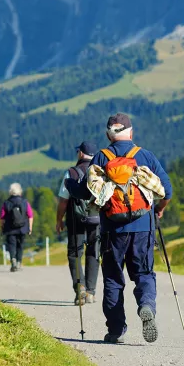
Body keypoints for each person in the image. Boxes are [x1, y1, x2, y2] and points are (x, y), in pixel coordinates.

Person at [89, 113, 172, 344]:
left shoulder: (101, 157)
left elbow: (90, 193)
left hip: (111, 231)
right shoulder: (144, 156)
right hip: (142, 227)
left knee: (113, 279)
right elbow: (168, 190)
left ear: (108, 134)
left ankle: (116, 330)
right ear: (131, 133)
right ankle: (146, 305)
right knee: (144, 274)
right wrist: (159, 209)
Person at [55, 141, 101, 305]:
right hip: (97, 219)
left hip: (76, 219)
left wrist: (59, 219)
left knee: (75, 254)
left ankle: (79, 287)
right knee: (94, 253)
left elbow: (63, 201)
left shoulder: (72, 173)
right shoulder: (100, 172)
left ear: (81, 153)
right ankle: (91, 292)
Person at [0, 183, 34, 272]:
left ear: (10, 192)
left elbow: (2, 217)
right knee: (20, 245)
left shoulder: (6, 203)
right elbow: (30, 215)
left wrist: (2, 228)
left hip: (10, 229)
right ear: (20, 191)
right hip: (22, 228)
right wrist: (30, 227)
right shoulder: (25, 202)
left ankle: (13, 261)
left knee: (11, 245)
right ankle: (19, 262)